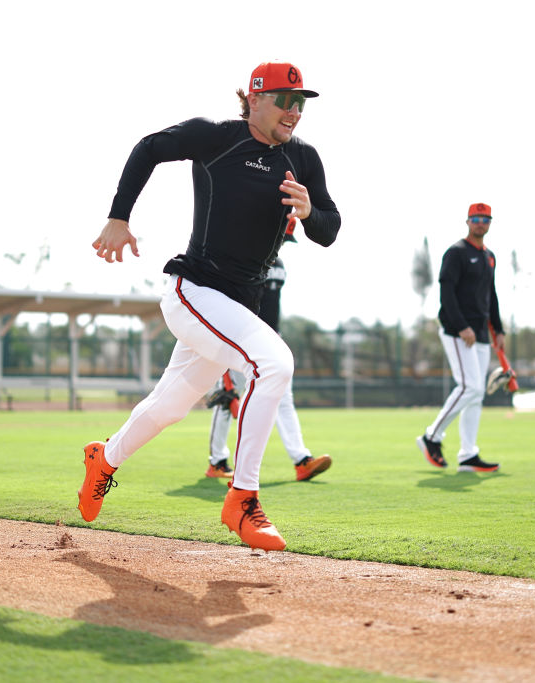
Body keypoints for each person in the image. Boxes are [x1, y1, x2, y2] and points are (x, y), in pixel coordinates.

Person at [78, 62, 340, 552]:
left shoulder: (303, 158)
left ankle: (103, 459)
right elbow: (149, 148)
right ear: (255, 100)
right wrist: (118, 216)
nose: (294, 111)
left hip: (238, 306)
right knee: (274, 363)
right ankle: (242, 499)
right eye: (285, 101)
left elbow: (330, 228)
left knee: (169, 407)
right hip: (193, 291)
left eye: (300, 103)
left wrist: (310, 214)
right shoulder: (216, 137)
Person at [205, 250, 332, 482]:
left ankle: (302, 461)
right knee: (226, 398)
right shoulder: (241, 256)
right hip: (241, 336)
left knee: (283, 399)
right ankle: (217, 461)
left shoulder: (278, 262)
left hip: (272, 338)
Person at [416, 202, 504, 473]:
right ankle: (432, 436)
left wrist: (498, 329)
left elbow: (491, 295)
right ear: (467, 222)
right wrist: (462, 326)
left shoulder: (489, 256)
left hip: (481, 333)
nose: (481, 223)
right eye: (476, 219)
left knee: (476, 395)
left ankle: (468, 455)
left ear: (490, 223)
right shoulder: (456, 253)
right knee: (470, 387)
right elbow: (446, 294)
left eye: (485, 219)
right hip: (457, 331)